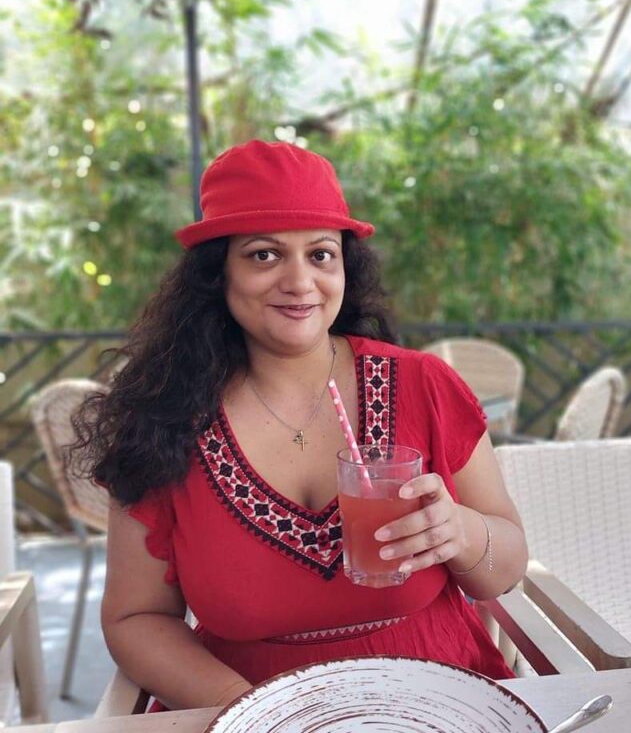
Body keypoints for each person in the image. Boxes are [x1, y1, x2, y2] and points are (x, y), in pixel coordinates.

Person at [75, 139, 528, 712]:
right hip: (241, 707)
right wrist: (259, 714)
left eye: (320, 254)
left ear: (343, 267)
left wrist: (461, 533)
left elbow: (504, 571)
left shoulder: (424, 384)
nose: (299, 281)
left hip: (438, 701)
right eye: (265, 255)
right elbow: (135, 617)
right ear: (219, 274)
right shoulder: (162, 416)